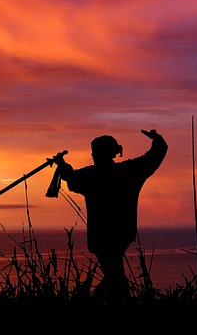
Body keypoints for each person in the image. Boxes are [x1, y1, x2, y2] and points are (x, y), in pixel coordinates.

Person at [51, 128, 167, 300]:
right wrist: (157, 140)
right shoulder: (129, 171)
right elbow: (154, 156)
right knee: (114, 275)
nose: (93, 155)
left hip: (101, 237)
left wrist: (62, 165)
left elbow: (71, 177)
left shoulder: (91, 175)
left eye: (94, 152)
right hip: (122, 233)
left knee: (114, 276)